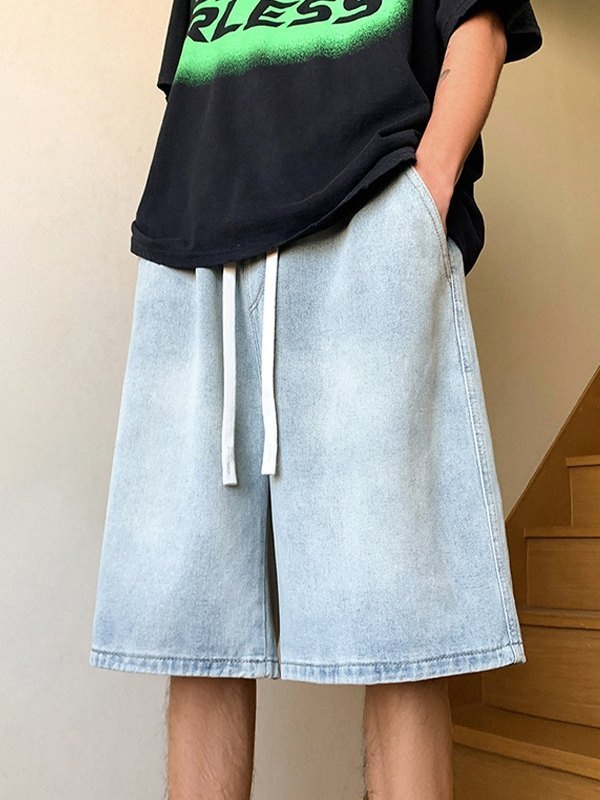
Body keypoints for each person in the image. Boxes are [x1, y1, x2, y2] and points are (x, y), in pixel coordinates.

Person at [89, 0, 542, 797]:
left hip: (364, 226)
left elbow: (481, 22)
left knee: (400, 624)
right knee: (198, 628)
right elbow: (195, 92)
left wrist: (423, 199)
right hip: (195, 255)